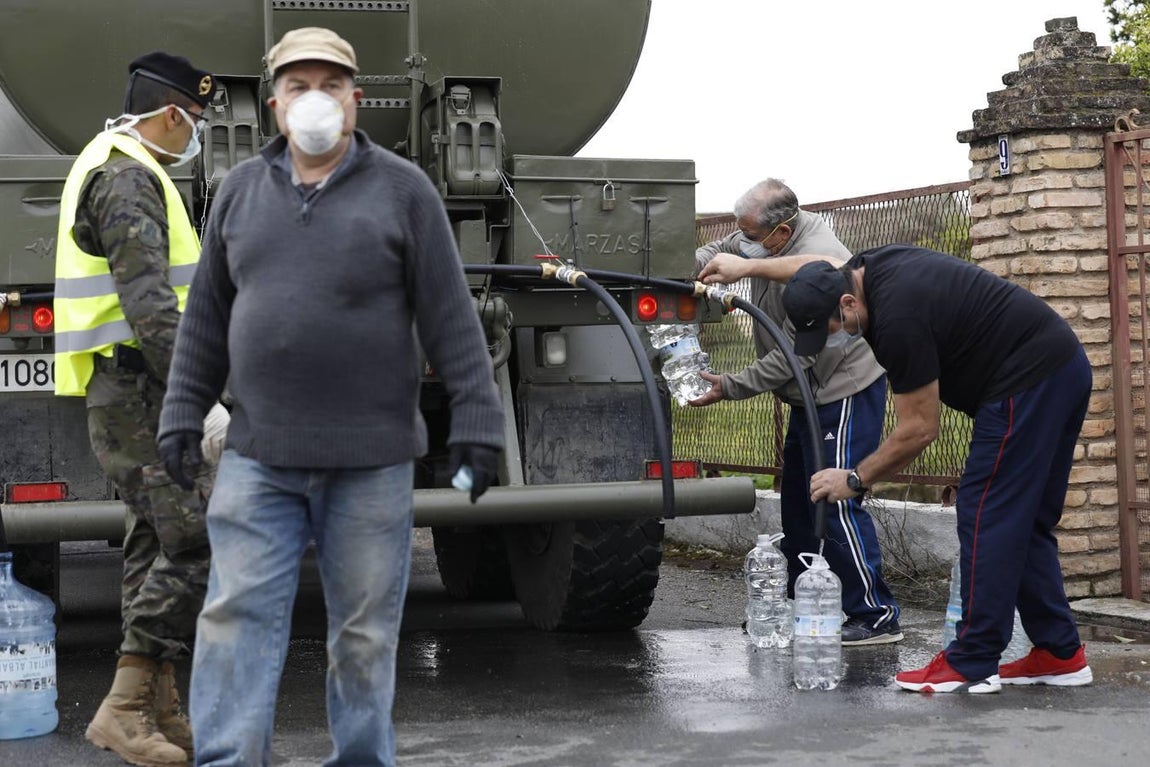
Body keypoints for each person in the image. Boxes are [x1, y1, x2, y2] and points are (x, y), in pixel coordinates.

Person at [156, 27, 504, 765]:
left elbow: (451, 317)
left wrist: (478, 420)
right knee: (234, 620)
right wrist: (181, 410)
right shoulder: (239, 192)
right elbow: (206, 318)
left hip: (371, 462)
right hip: (258, 459)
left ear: (354, 99)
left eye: (330, 83)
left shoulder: (404, 193)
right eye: (298, 84)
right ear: (275, 102)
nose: (314, 97)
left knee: (365, 636)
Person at [703, 243, 1093, 694]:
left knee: (986, 512)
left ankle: (971, 660)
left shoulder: (896, 325)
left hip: (1024, 382)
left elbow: (920, 429)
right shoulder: (863, 269)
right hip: (1061, 367)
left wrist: (852, 478)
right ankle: (1059, 653)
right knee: (1026, 523)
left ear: (848, 303)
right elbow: (813, 266)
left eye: (835, 327)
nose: (837, 337)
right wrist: (748, 267)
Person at [53, 51, 216, 766]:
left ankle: (162, 707)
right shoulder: (126, 177)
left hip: (130, 387)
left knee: (155, 540)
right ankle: (123, 707)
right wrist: (199, 396)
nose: (197, 136)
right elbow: (150, 306)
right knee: (194, 539)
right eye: (196, 121)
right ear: (172, 113)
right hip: (143, 389)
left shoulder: (115, 161)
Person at [692, 179, 901, 645]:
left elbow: (794, 356)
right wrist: (695, 268)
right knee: (798, 507)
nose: (741, 240)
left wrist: (729, 386)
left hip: (840, 390)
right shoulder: (757, 237)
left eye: (751, 235)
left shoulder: (818, 257)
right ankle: (798, 604)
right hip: (805, 397)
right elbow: (720, 246)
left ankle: (875, 614)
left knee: (836, 499)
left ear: (781, 233)